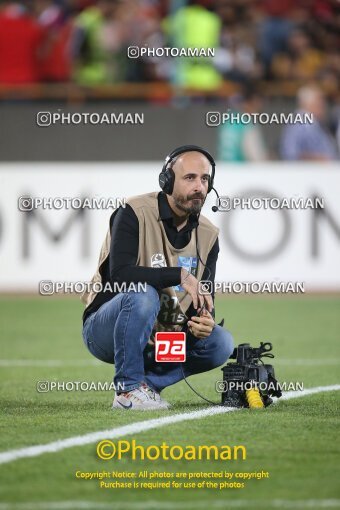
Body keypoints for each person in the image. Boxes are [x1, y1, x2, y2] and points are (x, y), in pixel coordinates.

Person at [81, 145, 234, 410]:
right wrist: (178, 275)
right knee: (143, 294)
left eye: (205, 179)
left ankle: (146, 386)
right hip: (105, 332)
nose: (199, 186)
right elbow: (120, 276)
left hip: (163, 339)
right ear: (167, 181)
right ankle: (127, 390)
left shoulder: (209, 235)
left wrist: (203, 322)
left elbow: (204, 299)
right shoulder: (133, 212)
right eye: (190, 178)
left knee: (220, 342)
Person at [280, 84, 338, 161]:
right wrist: (318, 159)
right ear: (306, 103)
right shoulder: (298, 123)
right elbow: (290, 153)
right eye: (319, 101)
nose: (323, 105)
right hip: (309, 171)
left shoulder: (316, 123)